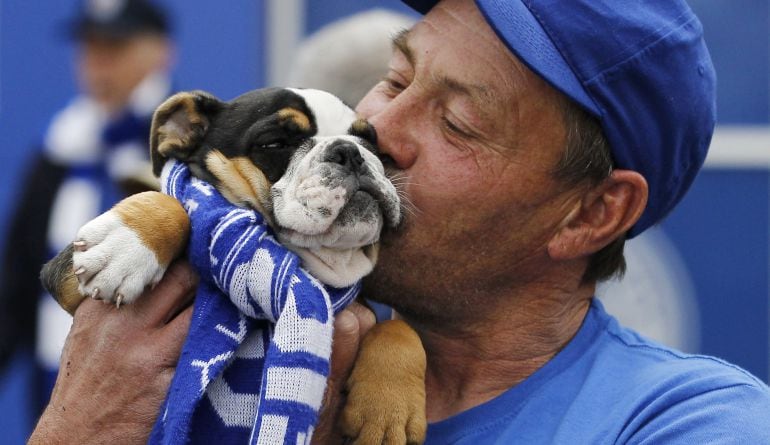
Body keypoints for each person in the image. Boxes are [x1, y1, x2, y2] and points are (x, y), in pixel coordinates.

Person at [29, 0, 770, 444]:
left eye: (456, 120)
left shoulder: (689, 422)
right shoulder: (192, 313)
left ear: (591, 212)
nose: (375, 128)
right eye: (394, 76)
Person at [0, 0, 174, 413]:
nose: (99, 65)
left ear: (160, 52)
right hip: (53, 389)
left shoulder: (176, 151)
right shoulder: (60, 151)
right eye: (90, 49)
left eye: (115, 49)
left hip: (143, 397)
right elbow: (20, 278)